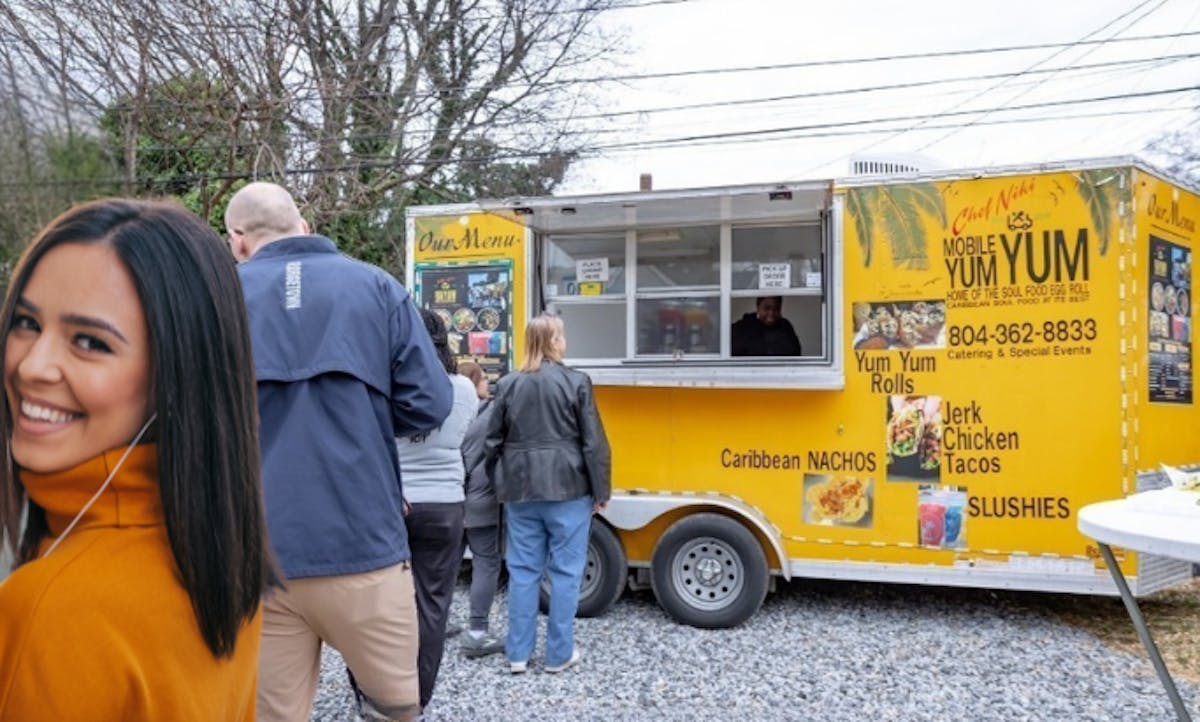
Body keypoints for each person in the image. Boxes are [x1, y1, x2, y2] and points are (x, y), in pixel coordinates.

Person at [0, 199, 275, 719]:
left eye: (89, 341)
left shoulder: (50, 610)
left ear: (176, 378)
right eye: (25, 323)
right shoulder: (219, 555)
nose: (32, 366)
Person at [226, 182, 453, 722]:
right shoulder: (376, 288)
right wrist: (362, 419)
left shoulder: (217, 300)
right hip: (366, 549)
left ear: (237, 241)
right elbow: (431, 403)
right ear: (306, 227)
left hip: (261, 558)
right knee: (392, 711)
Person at [484, 313, 610, 674]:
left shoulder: (508, 384)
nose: (564, 342)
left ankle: (518, 655)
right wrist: (601, 490)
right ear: (554, 342)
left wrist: (499, 481)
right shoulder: (577, 382)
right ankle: (558, 655)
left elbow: (491, 441)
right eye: (562, 337)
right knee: (566, 573)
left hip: (521, 489)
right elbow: (593, 443)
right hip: (570, 489)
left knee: (523, 572)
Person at [395, 308, 477, 711]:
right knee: (433, 606)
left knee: (383, 605)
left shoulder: (389, 386)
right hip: (446, 506)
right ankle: (418, 700)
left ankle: (378, 694)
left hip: (396, 504)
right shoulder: (463, 389)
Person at [457, 360, 505, 658]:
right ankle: (477, 631)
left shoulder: (448, 415)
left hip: (450, 501)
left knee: (445, 567)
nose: (488, 384)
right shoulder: (487, 417)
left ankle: (432, 624)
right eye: (484, 380)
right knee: (486, 563)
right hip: (482, 501)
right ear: (473, 384)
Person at [731, 295, 803, 356]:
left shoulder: (785, 326)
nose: (771, 313)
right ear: (758, 307)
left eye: (776, 309)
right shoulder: (742, 327)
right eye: (766, 308)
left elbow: (795, 353)